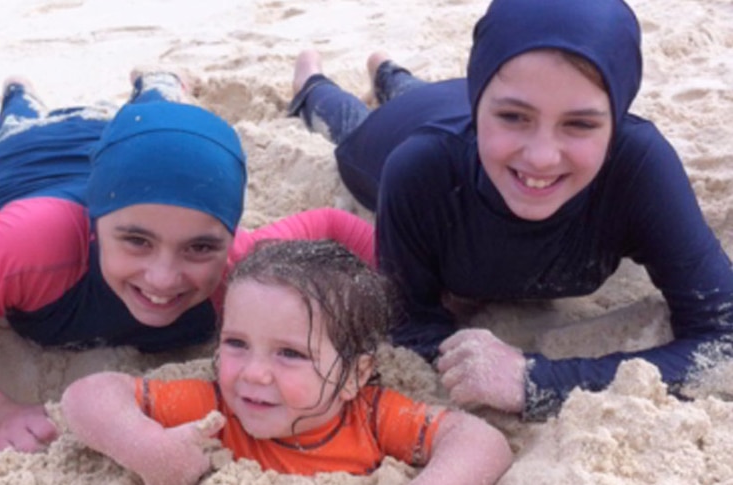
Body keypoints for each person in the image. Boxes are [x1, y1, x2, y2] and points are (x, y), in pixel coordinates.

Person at [0, 69, 374, 452]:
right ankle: (21, 92)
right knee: (21, 115)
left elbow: (333, 226)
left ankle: (156, 85)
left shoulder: (240, 264)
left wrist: (410, 300)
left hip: (145, 153)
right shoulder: (30, 249)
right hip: (31, 155)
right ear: (93, 226)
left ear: (227, 239)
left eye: (200, 247)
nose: (162, 278)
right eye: (136, 241)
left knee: (161, 112)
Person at [287, 0, 733, 420]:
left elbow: (725, 337)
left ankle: (389, 71)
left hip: (477, 93)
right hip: (401, 129)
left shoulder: (639, 164)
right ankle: (313, 82)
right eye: (513, 118)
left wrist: (535, 382)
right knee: (349, 125)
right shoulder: (420, 171)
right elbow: (409, 331)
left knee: (426, 92)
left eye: (580, 124)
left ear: (617, 118)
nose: (541, 157)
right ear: (483, 107)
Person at [62, 239, 513, 484]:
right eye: (237, 343)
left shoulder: (370, 416)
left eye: (290, 353)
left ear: (355, 375)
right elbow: (89, 394)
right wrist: (145, 446)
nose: (253, 373)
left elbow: (479, 439)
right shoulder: (217, 411)